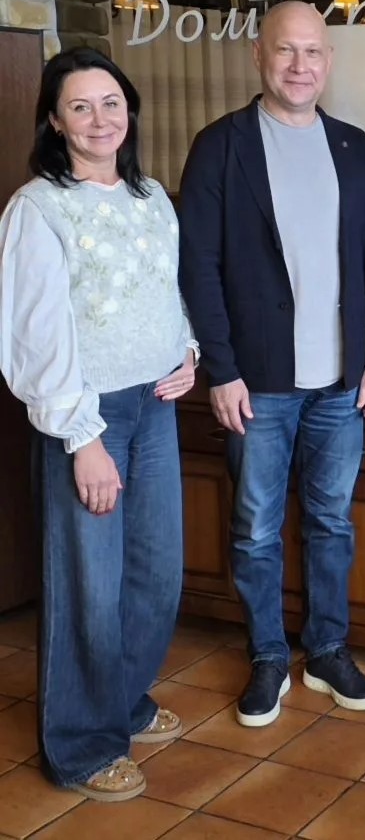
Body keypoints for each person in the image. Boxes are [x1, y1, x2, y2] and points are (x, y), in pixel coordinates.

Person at [178, 1, 365, 727]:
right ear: (258, 56)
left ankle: (328, 651)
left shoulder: (355, 148)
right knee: (254, 529)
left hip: (341, 383)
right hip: (257, 383)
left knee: (332, 523)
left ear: (328, 62)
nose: (299, 66)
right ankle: (269, 657)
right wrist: (222, 369)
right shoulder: (221, 147)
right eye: (285, 50)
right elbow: (198, 268)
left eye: (312, 52)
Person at [0, 47, 198, 801]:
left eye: (110, 103)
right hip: (88, 415)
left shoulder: (150, 197)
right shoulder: (38, 209)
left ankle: (122, 700)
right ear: (54, 121)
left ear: (129, 111)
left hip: (155, 406)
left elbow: (165, 290)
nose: (99, 119)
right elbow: (34, 335)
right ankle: (82, 746)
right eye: (79, 107)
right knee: (89, 584)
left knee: (156, 573)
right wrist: (80, 438)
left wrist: (187, 351)